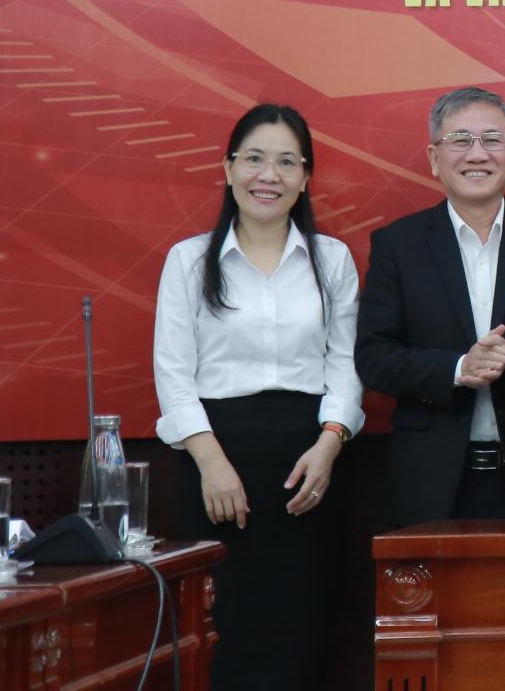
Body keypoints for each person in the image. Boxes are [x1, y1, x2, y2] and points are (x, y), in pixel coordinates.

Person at [152, 103, 362, 691]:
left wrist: (329, 445)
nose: (268, 176)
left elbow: (344, 366)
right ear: (228, 168)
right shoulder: (190, 260)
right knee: (224, 627)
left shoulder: (332, 260)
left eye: (286, 162)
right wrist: (211, 462)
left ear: (305, 177)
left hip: (308, 464)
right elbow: (173, 374)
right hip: (214, 460)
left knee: (301, 622)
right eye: (254, 160)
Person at [355, 87, 505, 524]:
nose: (477, 154)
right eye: (460, 140)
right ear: (434, 158)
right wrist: (458, 369)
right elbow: (374, 357)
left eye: (492, 140)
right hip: (428, 477)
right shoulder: (399, 244)